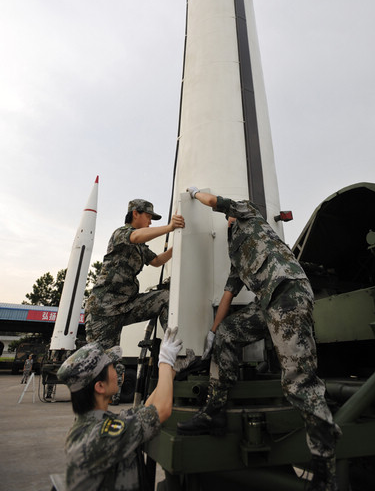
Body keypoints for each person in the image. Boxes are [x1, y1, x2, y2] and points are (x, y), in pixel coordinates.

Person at [177, 188, 341, 491]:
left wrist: (195, 192)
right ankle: (214, 411)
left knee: (298, 382)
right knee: (228, 333)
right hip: (268, 305)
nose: (226, 218)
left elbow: (214, 200)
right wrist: (213, 333)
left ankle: (324, 465)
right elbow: (228, 294)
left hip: (288, 294)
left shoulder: (248, 213)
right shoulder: (236, 252)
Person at [57, 327, 182, 491]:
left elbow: (148, 409)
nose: (118, 372)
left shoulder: (96, 423)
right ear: (100, 386)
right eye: (112, 367)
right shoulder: (98, 436)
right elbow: (162, 410)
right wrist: (165, 361)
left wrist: (171, 372)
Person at [85, 198, 185, 402]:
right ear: (135, 213)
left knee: (166, 298)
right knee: (103, 367)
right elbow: (137, 236)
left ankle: (171, 353)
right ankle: (92, 417)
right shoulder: (121, 234)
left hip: (127, 305)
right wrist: (170, 227)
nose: (150, 221)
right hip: (104, 311)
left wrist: (178, 249)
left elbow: (156, 261)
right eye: (148, 216)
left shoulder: (141, 247)